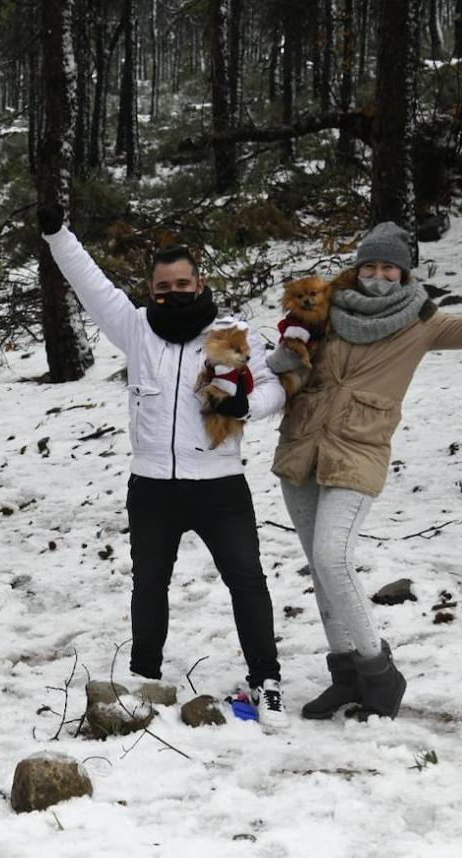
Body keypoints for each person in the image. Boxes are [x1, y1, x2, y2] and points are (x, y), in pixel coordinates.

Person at [38, 205, 291, 729]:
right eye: (163, 286)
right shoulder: (135, 329)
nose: (173, 292)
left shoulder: (232, 334)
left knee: (246, 580)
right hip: (152, 485)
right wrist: (57, 233)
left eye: (183, 282)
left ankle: (267, 680)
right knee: (149, 584)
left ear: (199, 282)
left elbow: (274, 388)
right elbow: (91, 284)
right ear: (151, 290)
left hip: (220, 485)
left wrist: (246, 407)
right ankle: (142, 678)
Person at [269, 221, 462, 721]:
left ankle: (380, 674)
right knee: (320, 567)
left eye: (388, 267)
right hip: (301, 448)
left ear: (403, 272)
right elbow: (291, 360)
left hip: (358, 451)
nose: (378, 275)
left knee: (334, 558)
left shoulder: (422, 321)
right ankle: (346, 677)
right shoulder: (325, 307)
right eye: (370, 266)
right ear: (358, 268)